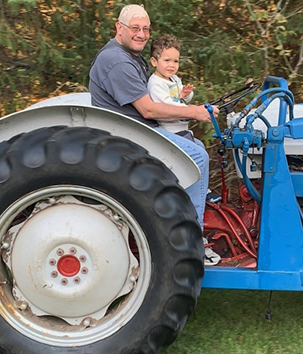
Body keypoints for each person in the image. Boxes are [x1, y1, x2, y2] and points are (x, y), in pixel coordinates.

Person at [88, 4, 219, 264]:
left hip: (136, 130)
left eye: (146, 29)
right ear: (119, 28)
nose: (141, 34)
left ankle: (188, 207)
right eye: (135, 28)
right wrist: (193, 111)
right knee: (197, 158)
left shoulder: (127, 56)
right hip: (130, 136)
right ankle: (193, 239)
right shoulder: (116, 61)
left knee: (196, 146)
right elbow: (148, 110)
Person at [148, 33, 195, 138]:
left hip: (182, 129)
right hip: (169, 133)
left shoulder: (174, 79)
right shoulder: (156, 83)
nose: (172, 65)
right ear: (154, 61)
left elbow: (180, 100)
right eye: (167, 60)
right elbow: (168, 106)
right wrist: (191, 111)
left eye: (175, 61)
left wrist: (185, 95)